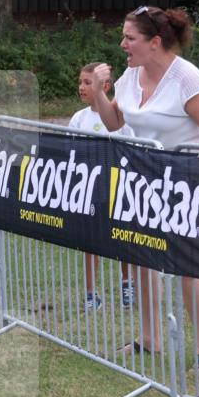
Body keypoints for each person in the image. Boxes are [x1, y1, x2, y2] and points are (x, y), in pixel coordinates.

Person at [90, 6, 199, 373]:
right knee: (142, 259)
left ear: (155, 43)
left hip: (187, 183)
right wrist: (102, 92)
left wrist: (189, 177)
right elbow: (113, 121)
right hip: (142, 182)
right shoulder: (131, 75)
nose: (123, 44)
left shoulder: (187, 79)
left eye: (129, 38)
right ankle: (149, 339)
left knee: (189, 265)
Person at [68, 62, 135, 311]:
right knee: (91, 242)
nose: (81, 87)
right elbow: (69, 152)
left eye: (88, 82)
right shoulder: (78, 118)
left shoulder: (121, 118)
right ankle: (90, 293)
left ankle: (128, 284)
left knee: (124, 237)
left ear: (104, 86)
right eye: (81, 82)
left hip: (118, 189)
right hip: (90, 191)